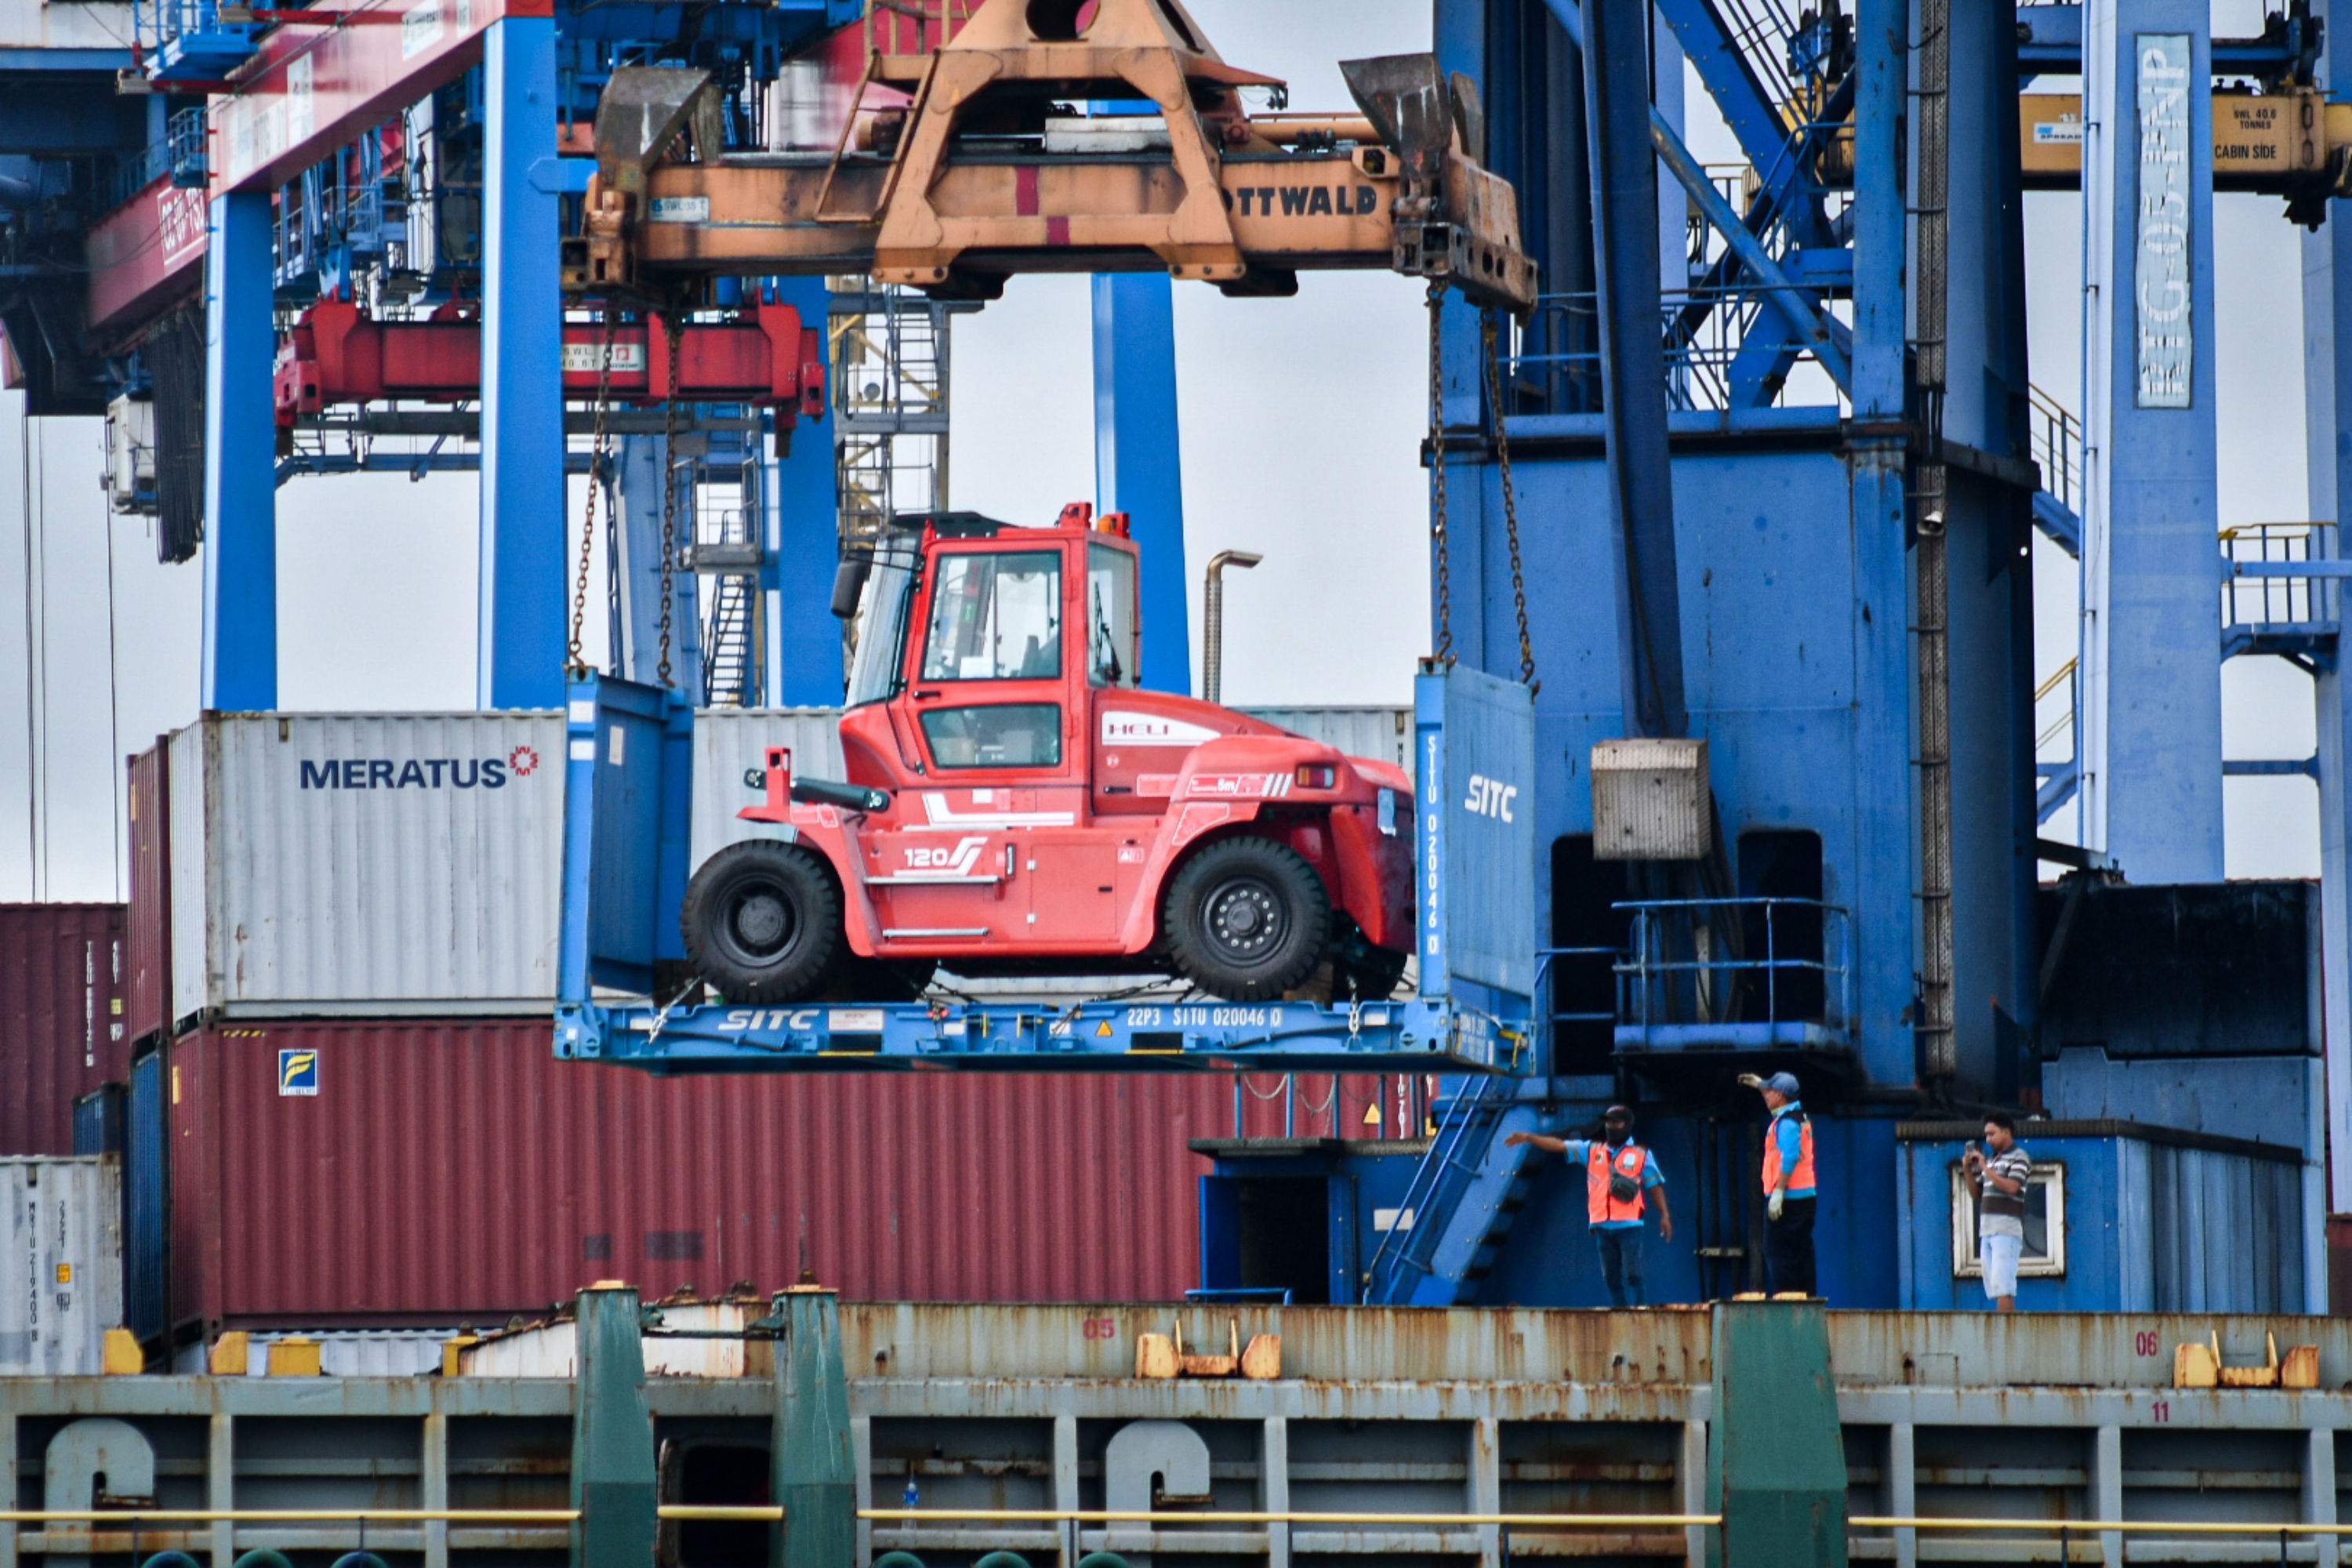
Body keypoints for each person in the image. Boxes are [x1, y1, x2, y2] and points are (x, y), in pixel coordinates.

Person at [1504, 1104, 1673, 1308]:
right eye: (1608, 1121)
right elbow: (1560, 1146)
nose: (1611, 1126)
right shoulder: (1593, 1151)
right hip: (1601, 1225)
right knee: (1610, 1276)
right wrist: (1529, 1138)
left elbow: (1654, 1185)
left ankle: (1640, 1310)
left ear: (1627, 1125)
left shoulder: (1640, 1155)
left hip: (1629, 1225)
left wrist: (1664, 1215)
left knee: (1633, 1273)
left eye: (1616, 1122)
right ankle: (1620, 1311)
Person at [1738, 1070, 1817, 1297]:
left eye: (1769, 1091)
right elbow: (1772, 1089)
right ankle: (1807, 1299)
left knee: (1777, 1252)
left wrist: (1778, 1193)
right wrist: (1759, 1084)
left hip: (1789, 1201)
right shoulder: (1798, 1115)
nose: (1766, 1094)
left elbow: (1789, 1157)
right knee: (1801, 1252)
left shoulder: (1787, 1124)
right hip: (1804, 1198)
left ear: (1780, 1095)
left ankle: (1788, 1301)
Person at [1962, 1112, 2031, 1311]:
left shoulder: (2019, 1157)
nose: (1988, 1139)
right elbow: (1977, 1194)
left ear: (2006, 1132)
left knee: (2004, 1285)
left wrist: (1985, 1168)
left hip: (2006, 1228)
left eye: (1992, 1134)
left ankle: (2006, 1334)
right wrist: (1968, 1170)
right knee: (1994, 1286)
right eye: (1986, 1135)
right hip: (1987, 1230)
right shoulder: (1992, 1160)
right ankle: (2002, 1329)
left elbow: (2012, 1187)